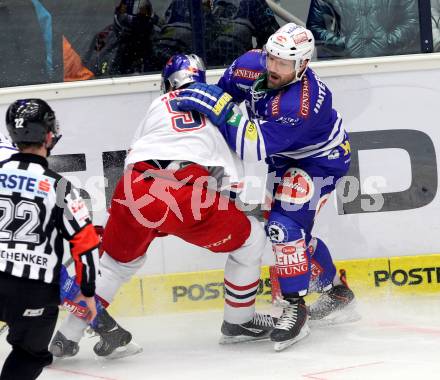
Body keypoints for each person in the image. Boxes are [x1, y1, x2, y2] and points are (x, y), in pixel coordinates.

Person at [50, 53, 276, 358]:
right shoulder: (221, 107)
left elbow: (135, 152)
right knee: (252, 240)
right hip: (186, 191)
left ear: (166, 83)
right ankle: (239, 322)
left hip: (134, 185)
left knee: (115, 265)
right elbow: (232, 179)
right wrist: (246, 207)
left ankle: (67, 337)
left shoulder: (158, 104)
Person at [176, 23, 356, 351]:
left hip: (320, 160)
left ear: (301, 65)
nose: (273, 67)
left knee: (283, 228)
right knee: (287, 232)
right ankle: (336, 293)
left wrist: (218, 109)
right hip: (284, 158)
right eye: (271, 58)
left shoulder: (302, 102)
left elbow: (252, 144)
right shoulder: (250, 64)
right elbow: (224, 98)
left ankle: (294, 308)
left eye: (283, 63)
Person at [0, 99, 100, 379]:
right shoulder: (60, 187)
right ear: (48, 135)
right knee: (29, 355)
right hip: (32, 291)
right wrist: (88, 292)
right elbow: (86, 242)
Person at [154, 0, 279, 67]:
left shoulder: (249, 2)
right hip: (187, 83)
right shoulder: (179, 4)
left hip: (237, 83)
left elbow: (274, 42)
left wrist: (252, 68)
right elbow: (161, 48)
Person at [306, 0, 419, 59]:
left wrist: (389, 41)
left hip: (391, 62)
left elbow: (413, 20)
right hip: (343, 64)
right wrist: (343, 43)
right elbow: (314, 27)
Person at [82, 0, 162, 77]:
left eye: (143, 11)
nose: (137, 14)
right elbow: (89, 71)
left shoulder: (158, 40)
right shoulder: (103, 37)